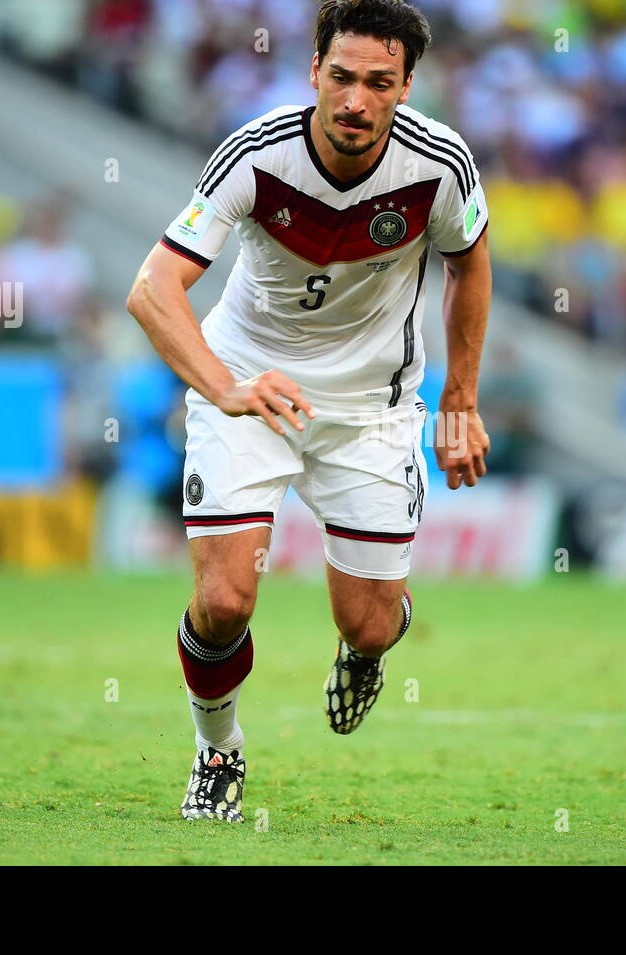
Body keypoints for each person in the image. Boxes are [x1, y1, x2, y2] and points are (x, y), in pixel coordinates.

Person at [125, 0, 491, 822]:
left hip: (373, 407)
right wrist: (222, 386)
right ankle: (217, 749)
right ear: (313, 73)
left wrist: (460, 399)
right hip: (253, 389)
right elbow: (152, 289)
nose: (356, 100)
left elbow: (471, 265)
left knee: (367, 624)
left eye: (378, 83)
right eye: (341, 77)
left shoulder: (442, 165)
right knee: (223, 602)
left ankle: (365, 654)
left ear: (405, 88)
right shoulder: (255, 155)